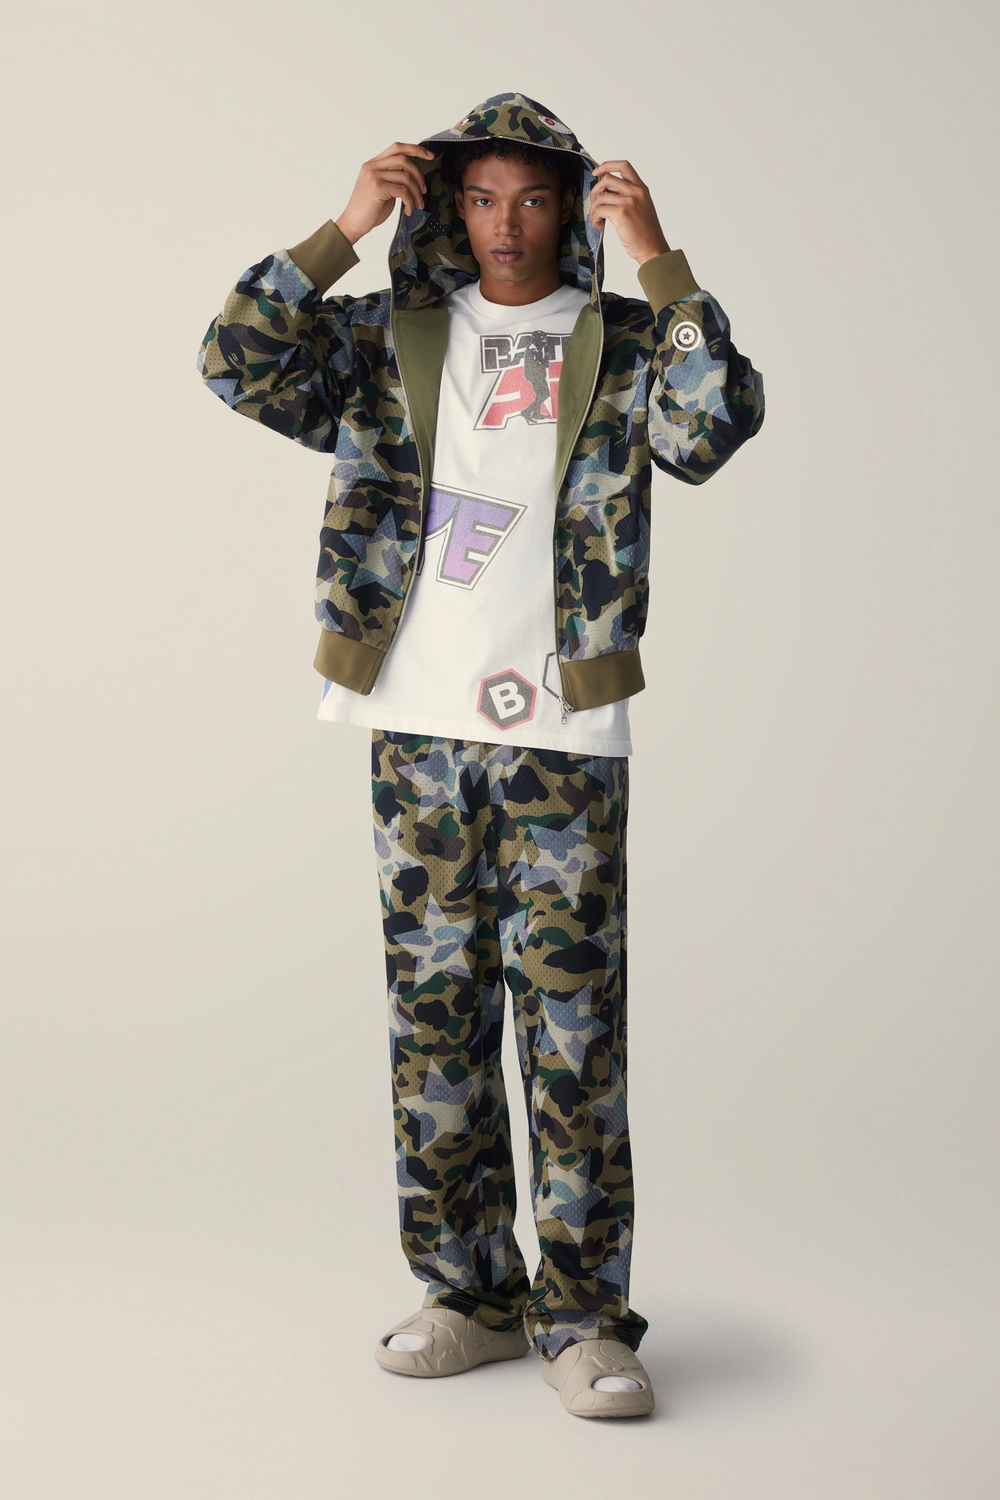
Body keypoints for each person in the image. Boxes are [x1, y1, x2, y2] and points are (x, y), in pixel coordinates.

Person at [197, 91, 765, 1420]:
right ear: (451, 207)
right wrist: (346, 225)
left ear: (571, 211)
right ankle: (468, 1294)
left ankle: (583, 1319)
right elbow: (234, 359)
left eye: (535, 199)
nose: (507, 224)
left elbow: (712, 424)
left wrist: (661, 258)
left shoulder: (626, 342)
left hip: (562, 735)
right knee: (435, 1028)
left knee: (572, 1033)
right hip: (416, 731)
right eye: (483, 197)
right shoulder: (387, 336)